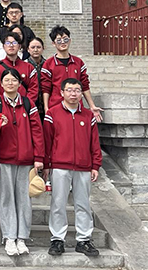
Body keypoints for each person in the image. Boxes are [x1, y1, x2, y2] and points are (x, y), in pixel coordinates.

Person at [0, 68, 45, 257]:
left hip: (25, 160)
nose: (10, 83)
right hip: (4, 160)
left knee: (24, 200)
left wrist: (39, 157)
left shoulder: (28, 103)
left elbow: (37, 131)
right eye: (6, 80)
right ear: (1, 84)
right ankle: (9, 237)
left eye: (14, 80)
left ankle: (22, 238)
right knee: (6, 198)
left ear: (19, 84)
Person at [45, 78, 102, 258]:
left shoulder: (88, 115)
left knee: (83, 204)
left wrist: (95, 165)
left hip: (83, 167)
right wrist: (46, 164)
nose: (73, 94)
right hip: (59, 165)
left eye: (77, 90)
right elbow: (47, 141)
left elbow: (94, 142)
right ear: (62, 92)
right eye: (69, 90)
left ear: (81, 94)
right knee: (58, 203)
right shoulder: (52, 113)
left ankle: (84, 239)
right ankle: (57, 239)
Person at [41, 26, 103, 122]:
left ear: (70, 40)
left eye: (65, 39)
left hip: (76, 106)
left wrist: (92, 106)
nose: (63, 42)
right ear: (53, 43)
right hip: (56, 106)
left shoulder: (78, 62)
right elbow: (46, 88)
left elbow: (85, 85)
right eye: (59, 40)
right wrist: (46, 108)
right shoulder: (48, 64)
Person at [0, 31, 39, 103]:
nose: (11, 45)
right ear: (3, 46)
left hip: (24, 107)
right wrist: (2, 104)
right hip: (2, 106)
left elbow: (33, 90)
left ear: (19, 46)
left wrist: (25, 104)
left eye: (14, 43)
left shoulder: (29, 68)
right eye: (8, 43)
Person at [26, 37, 46, 108]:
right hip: (29, 102)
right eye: (32, 47)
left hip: (46, 102)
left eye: (38, 47)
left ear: (43, 48)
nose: (36, 50)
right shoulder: (24, 65)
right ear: (28, 49)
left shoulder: (48, 65)